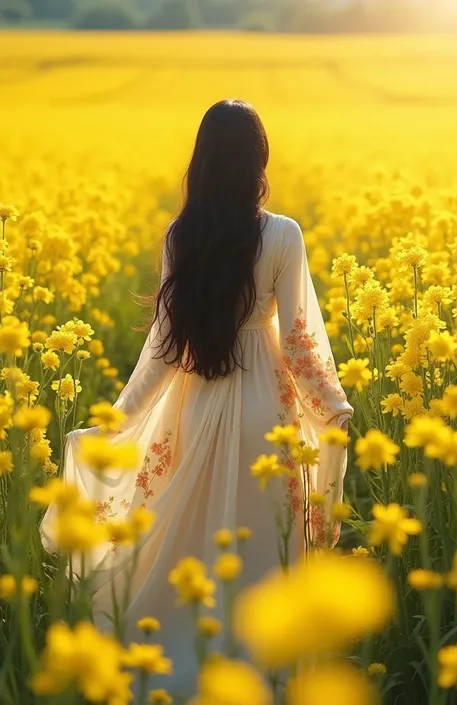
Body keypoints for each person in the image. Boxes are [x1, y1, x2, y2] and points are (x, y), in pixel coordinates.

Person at [42, 99, 353, 695]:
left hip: (198, 402)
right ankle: (263, 671)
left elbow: (162, 348)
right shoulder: (283, 234)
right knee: (264, 542)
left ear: (202, 161)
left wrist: (114, 424)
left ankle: (178, 661)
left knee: (192, 541)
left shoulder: (181, 235)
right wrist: (333, 406)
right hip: (269, 407)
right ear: (259, 160)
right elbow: (296, 341)